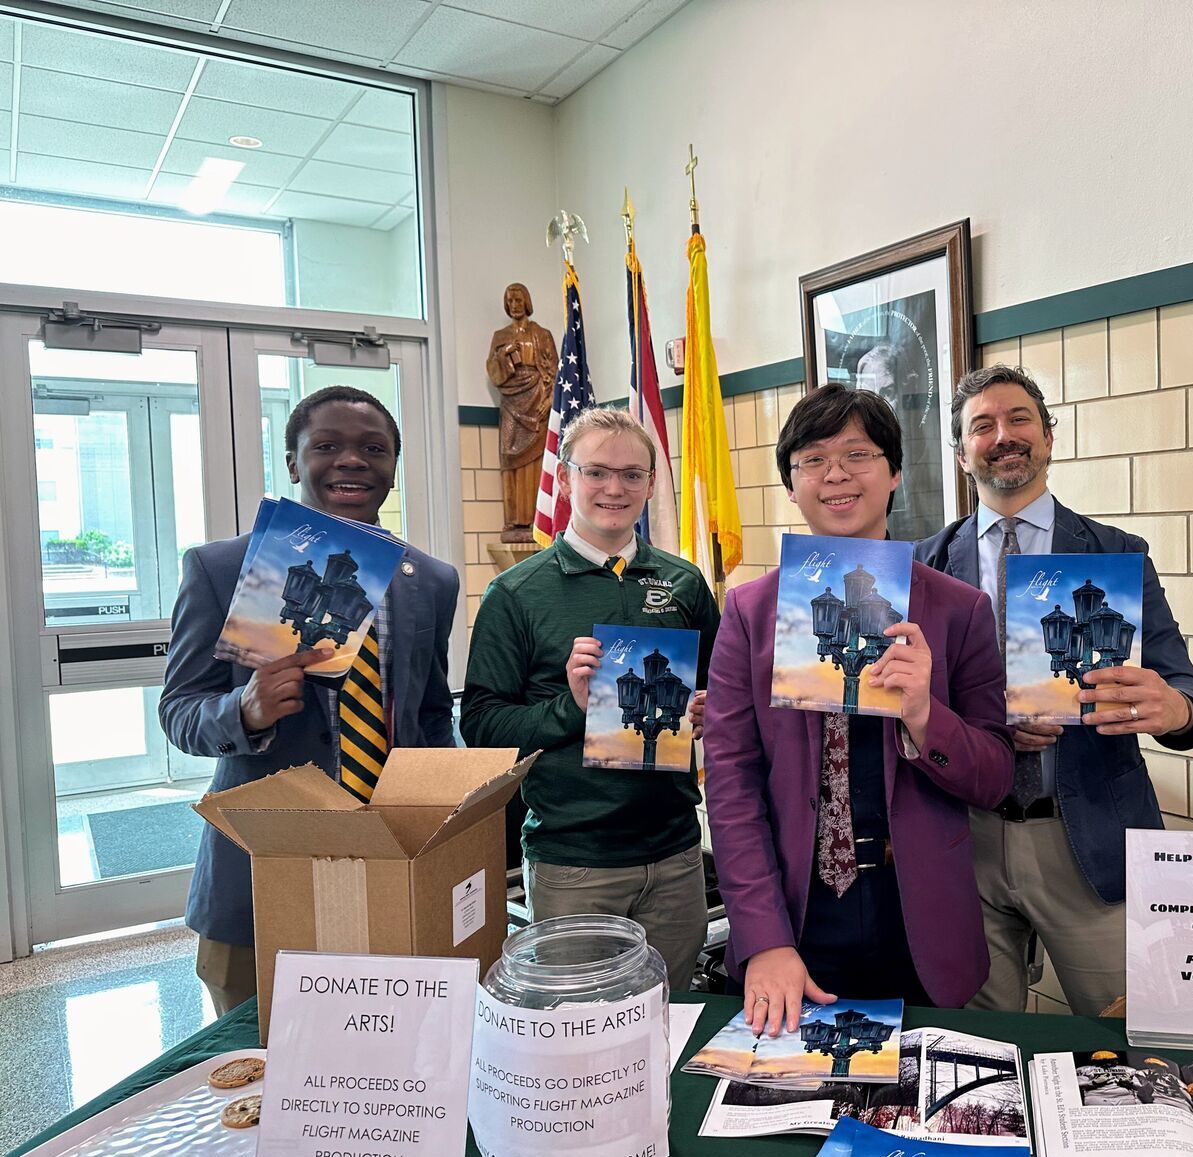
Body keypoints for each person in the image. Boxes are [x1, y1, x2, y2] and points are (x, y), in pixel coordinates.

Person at [703, 383, 1012, 1036]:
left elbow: (994, 778)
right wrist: (763, 938)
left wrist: (925, 716)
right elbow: (731, 784)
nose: (836, 474)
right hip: (795, 914)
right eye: (813, 459)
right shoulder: (751, 613)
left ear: (894, 473)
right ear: (791, 486)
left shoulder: (958, 611)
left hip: (918, 918)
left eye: (857, 454)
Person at [915, 364, 1193, 1017]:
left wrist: (1173, 707)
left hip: (1087, 839)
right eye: (982, 426)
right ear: (962, 454)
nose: (1003, 436)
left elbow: (1186, 690)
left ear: (1048, 436)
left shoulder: (1115, 555)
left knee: (1127, 1037)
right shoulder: (922, 564)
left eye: (1019, 419)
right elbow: (905, 703)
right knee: (981, 1046)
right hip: (963, 841)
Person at [161, 385, 459, 1014]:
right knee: (259, 1053)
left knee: (392, 1041)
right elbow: (180, 710)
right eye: (326, 446)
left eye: (373, 449)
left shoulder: (430, 580)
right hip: (263, 868)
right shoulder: (222, 569)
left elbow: (431, 714)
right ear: (294, 463)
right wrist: (244, 711)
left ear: (393, 468)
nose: (351, 460)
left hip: (392, 859)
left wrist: (447, 814)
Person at [460, 408, 718, 990]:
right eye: (596, 472)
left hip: (677, 856)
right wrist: (571, 707)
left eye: (631, 474)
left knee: (671, 1017)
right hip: (574, 864)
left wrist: (708, 709)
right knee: (580, 1027)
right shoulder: (517, 594)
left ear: (651, 483)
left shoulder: (683, 582)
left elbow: (720, 688)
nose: (614, 489)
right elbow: (481, 726)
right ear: (565, 478)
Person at [485, 281, 558, 541]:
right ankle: (514, 521)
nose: (515, 305)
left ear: (527, 302)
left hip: (537, 399)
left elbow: (553, 371)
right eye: (510, 301)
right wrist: (505, 354)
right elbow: (493, 371)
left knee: (537, 461)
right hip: (511, 401)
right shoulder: (500, 336)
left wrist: (548, 399)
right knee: (510, 456)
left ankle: (537, 521)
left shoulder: (542, 334)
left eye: (518, 300)